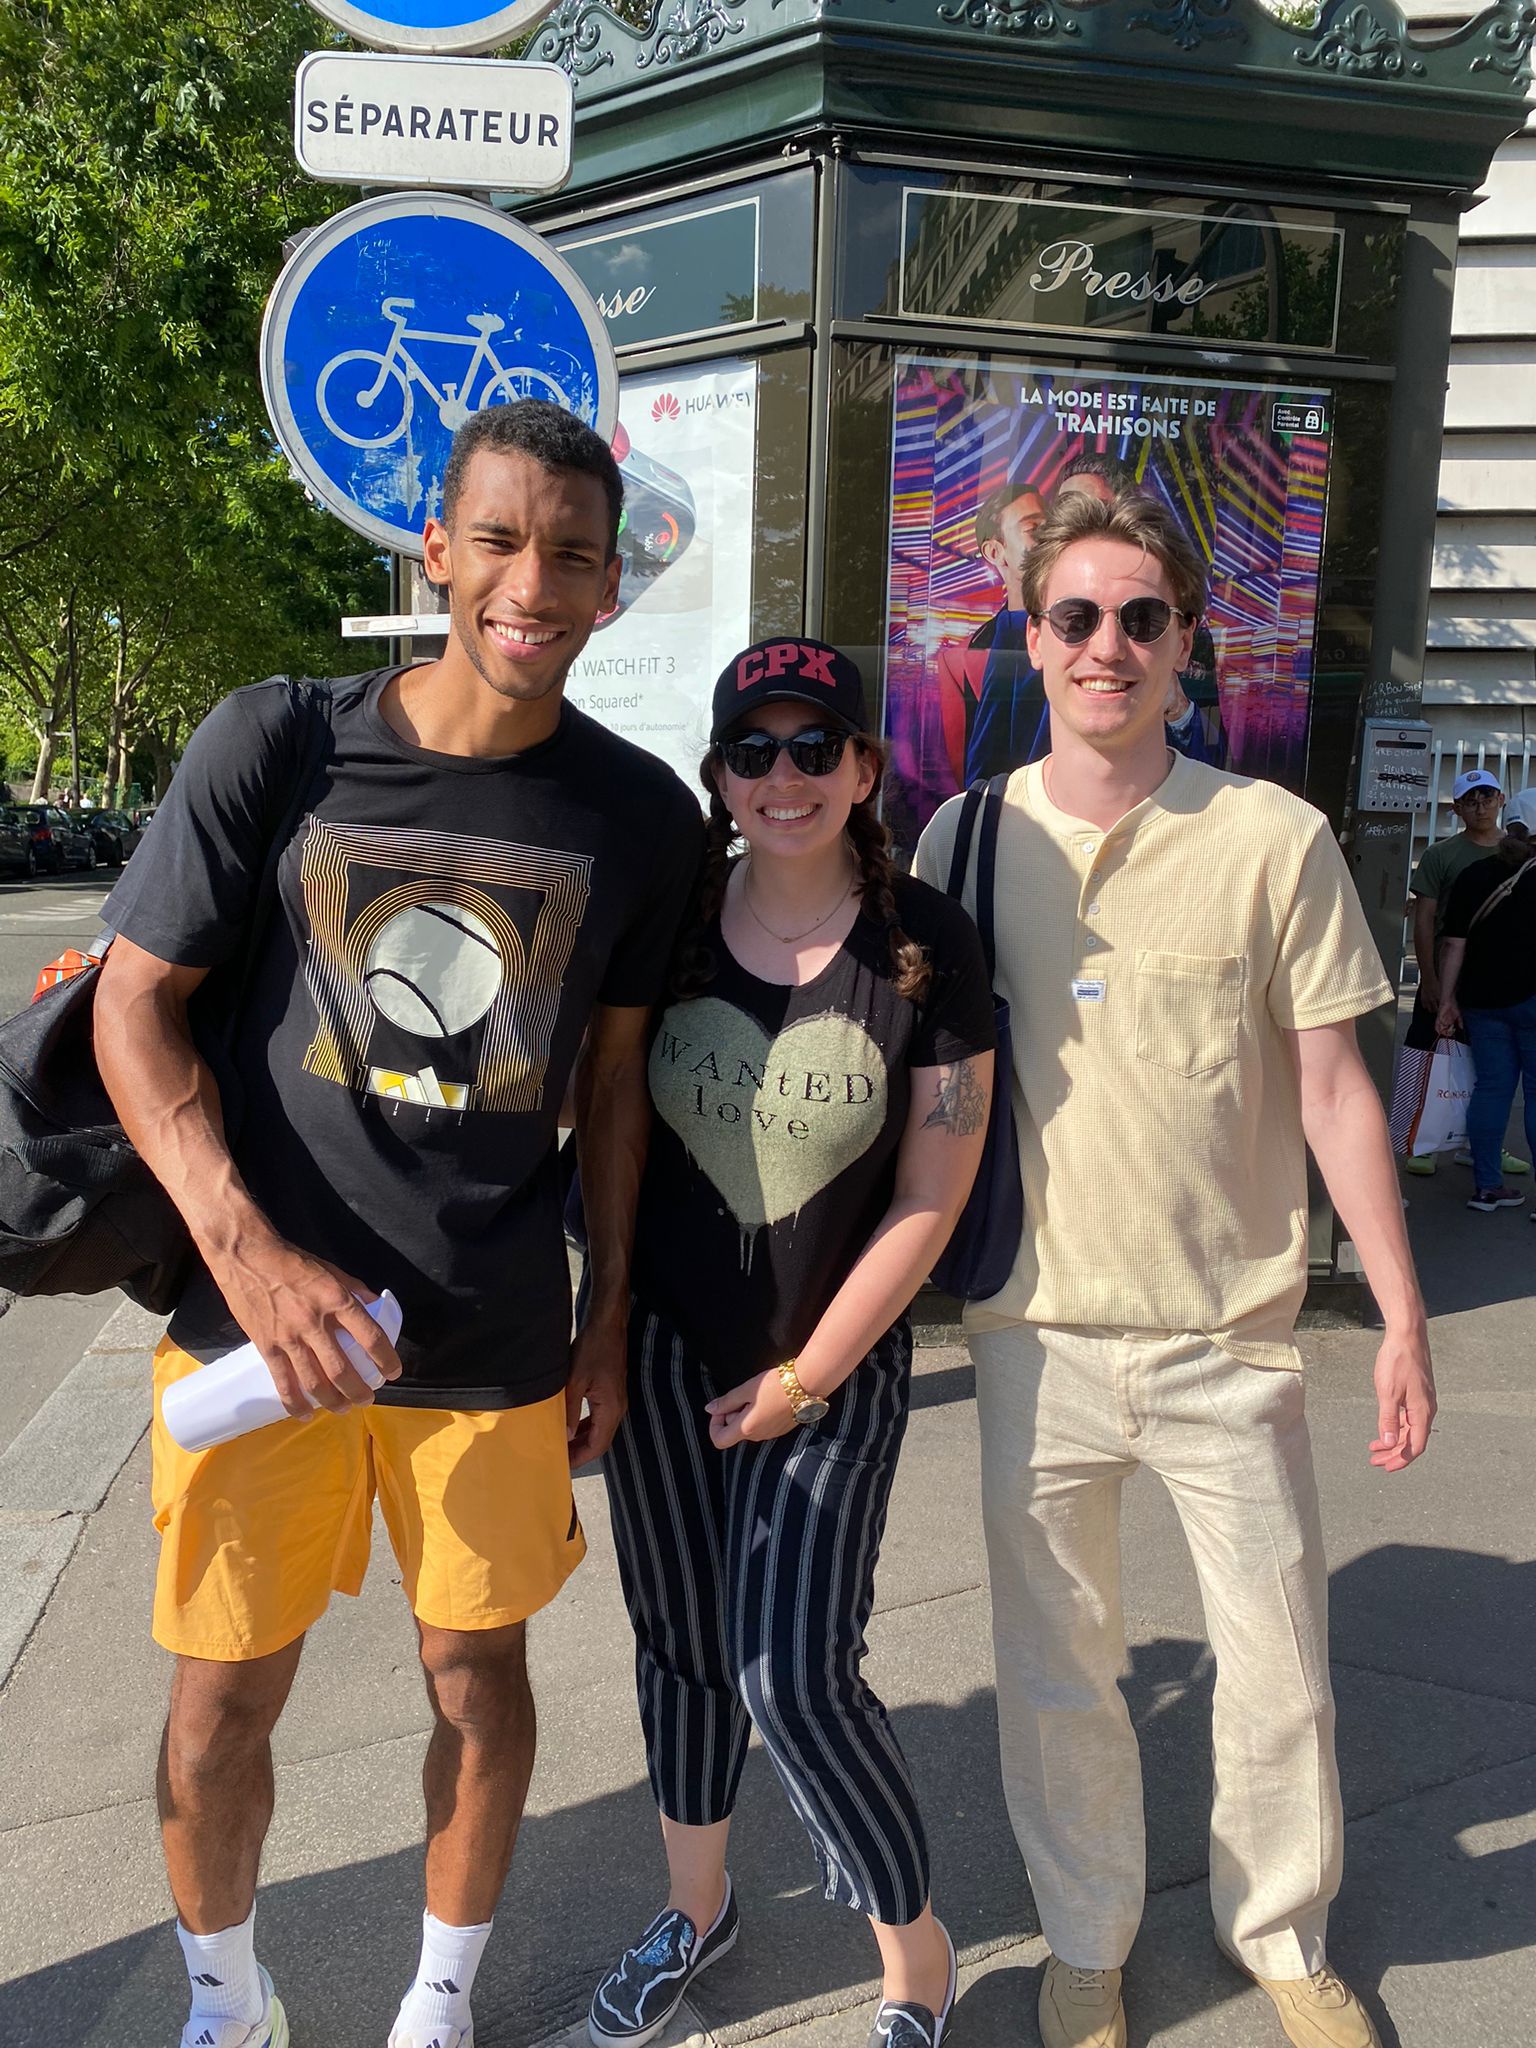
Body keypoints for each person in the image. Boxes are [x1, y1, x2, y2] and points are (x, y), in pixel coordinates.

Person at [93, 401, 704, 2048]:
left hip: (487, 1335)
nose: (532, 584)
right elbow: (134, 1007)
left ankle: (437, 2006)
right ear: (435, 549)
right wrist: (248, 1255)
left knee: (477, 1680)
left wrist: (604, 1315)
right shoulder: (279, 740)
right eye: (499, 540)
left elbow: (619, 1088)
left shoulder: (642, 817)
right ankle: (228, 2004)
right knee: (220, 1699)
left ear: (610, 585)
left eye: (570, 554)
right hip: (248, 1333)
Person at [915, 486, 1435, 2048]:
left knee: (1278, 1669)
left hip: (1231, 1335)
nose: (1109, 645)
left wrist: (1400, 1311)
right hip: (1034, 1331)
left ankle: (1280, 1934)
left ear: (1188, 639)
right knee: (1058, 1670)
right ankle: (1087, 1939)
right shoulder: (965, 838)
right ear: (1032, 638)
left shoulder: (1272, 838)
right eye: (1076, 616)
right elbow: (922, 1080)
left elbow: (1334, 1091)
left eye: (1142, 616)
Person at [586, 638, 996, 2048]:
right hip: (660, 1356)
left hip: (835, 1368)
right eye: (752, 749)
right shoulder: (670, 924)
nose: (784, 775)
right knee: (682, 1649)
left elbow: (934, 1190)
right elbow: (599, 1118)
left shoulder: (927, 943)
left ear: (864, 769)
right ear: (718, 775)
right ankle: (695, 1909)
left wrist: (808, 1375)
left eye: (815, 746)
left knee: (793, 1671)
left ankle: (914, 1951)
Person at [943, 453, 1217, 787]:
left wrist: (1179, 711)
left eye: (1088, 510)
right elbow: (987, 769)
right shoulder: (1018, 632)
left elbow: (1216, 765)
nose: (1106, 648)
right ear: (1035, 639)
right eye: (1063, 512)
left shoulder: (1179, 633)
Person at [1403, 767, 1527, 1179]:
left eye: (1487, 797)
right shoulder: (1441, 855)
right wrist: (1430, 978)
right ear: (1456, 809)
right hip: (1447, 973)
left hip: (1497, 982)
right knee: (1427, 1057)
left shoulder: (1519, 854)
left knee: (1493, 1071)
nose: (1480, 806)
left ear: (1501, 800)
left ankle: (1482, 1147)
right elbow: (1424, 920)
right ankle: (1422, 1143)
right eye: (1470, 801)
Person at [1435, 786, 1536, 1213]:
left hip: (1480, 1001)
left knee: (1491, 1089)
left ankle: (1487, 1188)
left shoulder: (1474, 875)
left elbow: (1453, 944)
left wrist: (1446, 1000)